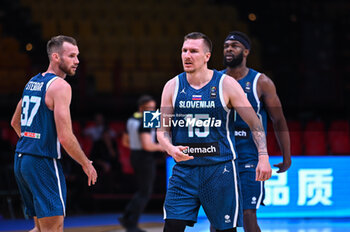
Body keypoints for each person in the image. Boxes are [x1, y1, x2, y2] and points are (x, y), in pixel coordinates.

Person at [157, 32, 272, 232]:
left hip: (220, 171)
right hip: (185, 171)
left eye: (193, 51)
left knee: (225, 230)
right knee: (172, 226)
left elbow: (255, 123)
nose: (187, 55)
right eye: (184, 50)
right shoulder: (171, 86)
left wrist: (263, 156)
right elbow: (162, 131)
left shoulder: (226, 84)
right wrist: (170, 148)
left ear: (207, 56)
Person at [10, 35, 97, 232]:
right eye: (72, 56)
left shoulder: (32, 82)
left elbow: (15, 122)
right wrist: (86, 162)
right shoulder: (60, 86)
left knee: (40, 229)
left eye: (77, 56)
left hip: (22, 159)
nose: (77, 61)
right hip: (43, 161)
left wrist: (31, 143)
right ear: (56, 57)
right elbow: (65, 137)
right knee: (53, 229)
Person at [213, 31, 292, 232]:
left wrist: (286, 155)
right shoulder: (214, 80)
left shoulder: (261, 82)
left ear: (246, 51)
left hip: (250, 157)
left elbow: (279, 120)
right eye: (226, 46)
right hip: (220, 157)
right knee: (220, 216)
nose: (229, 49)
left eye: (235, 45)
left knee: (248, 213)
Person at [118, 95, 164, 232]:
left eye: (154, 108)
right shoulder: (146, 120)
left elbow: (125, 142)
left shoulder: (132, 119)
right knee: (145, 192)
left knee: (142, 191)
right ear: (141, 108)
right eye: (150, 108)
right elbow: (147, 145)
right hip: (145, 158)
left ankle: (127, 216)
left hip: (135, 155)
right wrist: (163, 147)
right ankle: (130, 223)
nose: (153, 110)